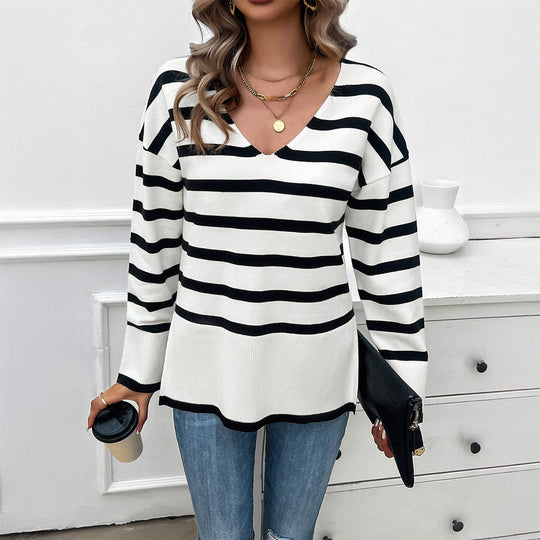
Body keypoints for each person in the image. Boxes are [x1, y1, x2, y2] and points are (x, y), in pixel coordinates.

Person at [88, 0, 428, 538]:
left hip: (317, 367)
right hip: (205, 365)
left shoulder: (367, 97)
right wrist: (137, 375)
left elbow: (388, 255)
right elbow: (155, 245)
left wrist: (402, 391)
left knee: (290, 537)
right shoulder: (178, 90)